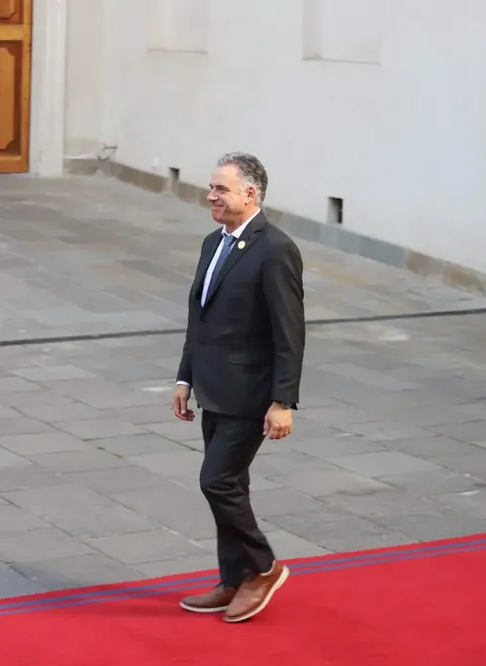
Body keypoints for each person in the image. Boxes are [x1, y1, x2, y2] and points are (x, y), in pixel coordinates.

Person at [172, 152, 305, 623]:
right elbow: (200, 318)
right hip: (213, 387)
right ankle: (233, 580)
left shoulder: (276, 249)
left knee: (217, 481)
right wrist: (185, 377)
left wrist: (282, 401)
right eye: (211, 187)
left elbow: (289, 332)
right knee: (232, 486)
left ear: (250, 194)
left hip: (251, 392)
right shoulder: (214, 242)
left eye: (220, 189)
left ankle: (264, 568)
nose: (210, 196)